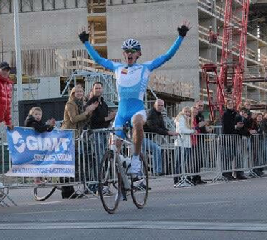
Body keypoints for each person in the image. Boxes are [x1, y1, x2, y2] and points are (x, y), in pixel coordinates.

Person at [79, 21, 190, 175]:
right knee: (114, 150)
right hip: (121, 112)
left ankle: (136, 161)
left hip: (137, 110)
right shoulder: (117, 68)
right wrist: (85, 42)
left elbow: (167, 56)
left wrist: (181, 36)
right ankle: (119, 170)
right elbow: (98, 60)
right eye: (126, 51)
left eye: (133, 50)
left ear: (139, 54)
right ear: (123, 54)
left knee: (137, 123)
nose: (129, 53)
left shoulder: (145, 67)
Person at [143, 99, 178, 175]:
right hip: (141, 137)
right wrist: (167, 132)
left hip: (148, 138)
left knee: (158, 149)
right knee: (157, 148)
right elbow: (153, 127)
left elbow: (163, 127)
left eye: (162, 105)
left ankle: (156, 170)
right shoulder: (151, 113)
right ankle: (157, 171)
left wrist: (170, 132)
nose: (160, 107)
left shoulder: (160, 115)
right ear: (154, 105)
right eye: (159, 105)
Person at [24, 107, 56, 184]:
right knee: (35, 162)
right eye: (36, 114)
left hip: (38, 145)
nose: (38, 116)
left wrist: (50, 126)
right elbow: (40, 129)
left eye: (39, 114)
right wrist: (47, 125)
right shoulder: (31, 122)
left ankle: (40, 178)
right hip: (32, 145)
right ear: (32, 115)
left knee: (40, 161)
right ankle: (36, 179)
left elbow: (46, 129)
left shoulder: (39, 122)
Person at [174, 107, 195, 185]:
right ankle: (177, 180)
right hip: (181, 144)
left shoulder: (187, 119)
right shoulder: (181, 118)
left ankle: (182, 178)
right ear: (182, 112)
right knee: (179, 163)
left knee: (183, 163)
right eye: (185, 111)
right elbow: (181, 130)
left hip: (186, 144)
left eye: (188, 112)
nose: (187, 113)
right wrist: (192, 131)